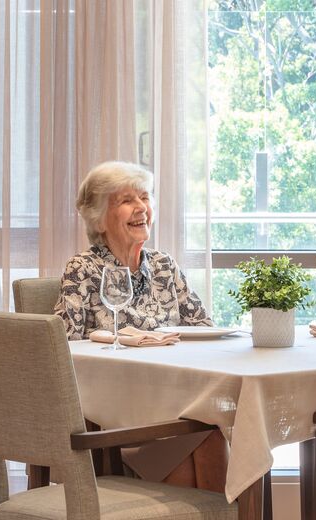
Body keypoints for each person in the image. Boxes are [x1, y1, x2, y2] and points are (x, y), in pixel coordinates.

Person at [52, 161, 224, 492]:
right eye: (126, 200)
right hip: (117, 414)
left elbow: (204, 328)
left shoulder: (163, 266)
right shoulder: (83, 269)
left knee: (212, 432)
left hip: (176, 403)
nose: (141, 208)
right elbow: (60, 347)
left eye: (145, 197)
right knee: (205, 438)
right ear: (99, 219)